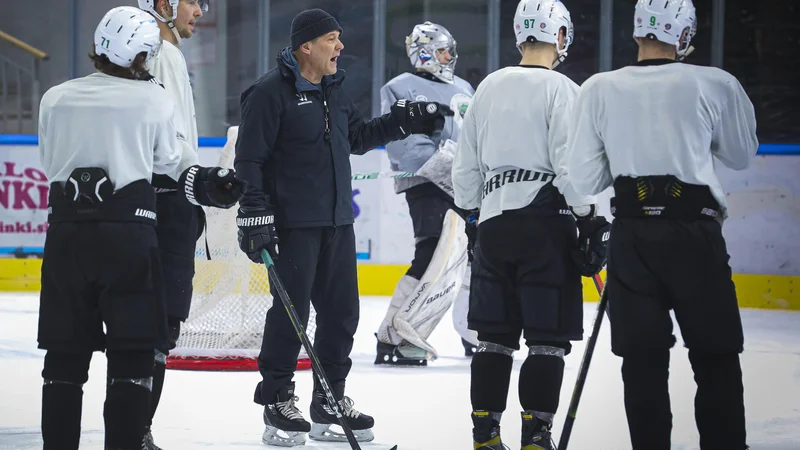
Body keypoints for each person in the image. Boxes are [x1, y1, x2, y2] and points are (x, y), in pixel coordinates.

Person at [233, 8, 452, 447]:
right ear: (306, 47)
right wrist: (253, 214)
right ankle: (277, 399)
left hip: (337, 223)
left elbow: (357, 137)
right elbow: (249, 161)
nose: (340, 47)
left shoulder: (333, 90)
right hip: (292, 225)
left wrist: (401, 122)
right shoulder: (268, 93)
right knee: (291, 315)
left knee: (342, 316)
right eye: (332, 39)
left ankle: (328, 399)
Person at [566, 1, 757, 449]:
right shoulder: (714, 83)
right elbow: (741, 154)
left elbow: (587, 177)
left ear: (636, 32)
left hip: (632, 238)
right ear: (685, 34)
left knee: (642, 360)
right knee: (715, 355)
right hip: (695, 235)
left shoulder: (598, 88)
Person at [452, 1, 610, 449]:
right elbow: (571, 165)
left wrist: (472, 217)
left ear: (521, 35)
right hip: (546, 226)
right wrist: (589, 219)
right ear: (560, 36)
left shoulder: (488, 86)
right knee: (546, 340)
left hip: (494, 226)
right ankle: (536, 435)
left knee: (494, 339)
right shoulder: (563, 89)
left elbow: (465, 170)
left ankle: (485, 433)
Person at [36, 7, 180, 449]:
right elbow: (168, 164)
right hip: (127, 237)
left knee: (63, 360)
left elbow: (48, 163)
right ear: (144, 54)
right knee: (133, 358)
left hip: (66, 238)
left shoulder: (55, 97)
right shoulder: (155, 99)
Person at [136, 1, 245, 448]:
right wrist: (198, 183)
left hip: (145, 201)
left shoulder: (144, 53)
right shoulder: (164, 54)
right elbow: (170, 144)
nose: (200, 9)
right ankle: (136, 431)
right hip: (165, 201)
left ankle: (131, 429)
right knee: (159, 325)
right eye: (192, 0)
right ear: (161, 3)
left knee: (142, 326)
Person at [375, 21, 479, 367]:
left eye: (450, 50)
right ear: (424, 53)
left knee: (474, 256)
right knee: (433, 252)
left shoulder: (465, 87)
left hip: (466, 187)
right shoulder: (399, 87)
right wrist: (450, 168)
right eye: (442, 51)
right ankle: (393, 334)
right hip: (426, 185)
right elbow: (406, 145)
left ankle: (475, 333)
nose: (449, 57)